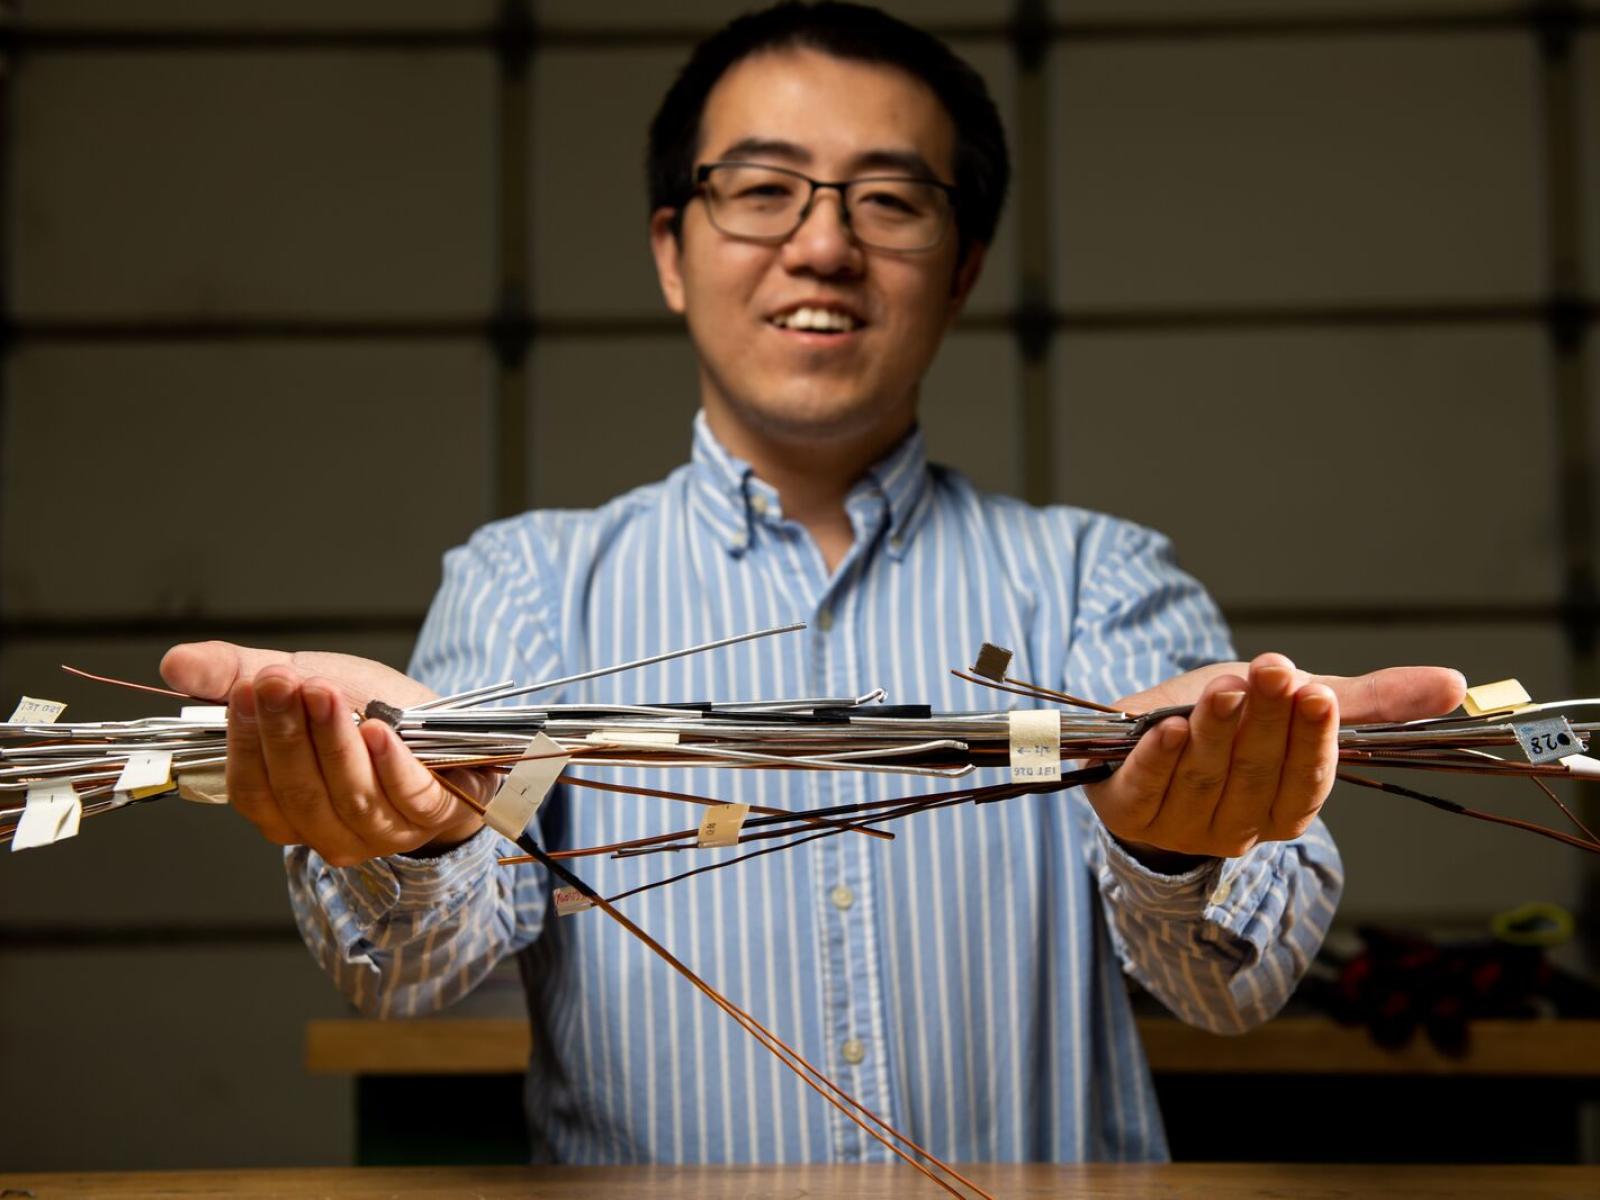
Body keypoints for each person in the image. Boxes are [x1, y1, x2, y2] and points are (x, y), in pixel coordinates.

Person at [160, 1, 1464, 1165]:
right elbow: (408, 973)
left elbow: (1239, 982)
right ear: (673, 252)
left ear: (960, 269)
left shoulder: (1095, 579)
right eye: (762, 190)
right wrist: (414, 819)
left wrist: (1173, 834)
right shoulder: (534, 586)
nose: (823, 247)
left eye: (889, 199)